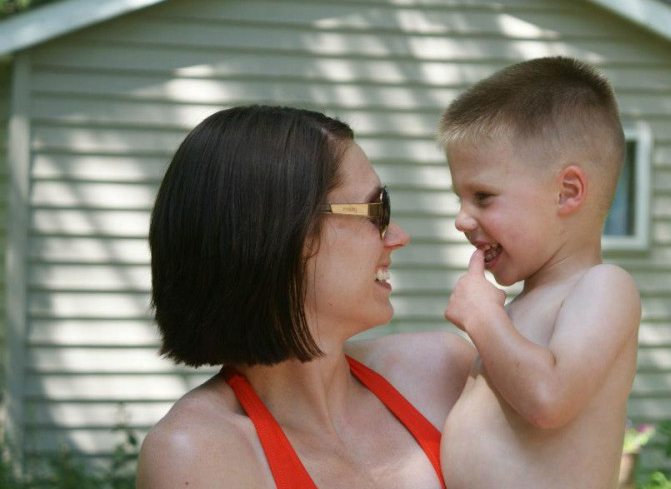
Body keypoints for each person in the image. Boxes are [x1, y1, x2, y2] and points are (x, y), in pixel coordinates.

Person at [136, 105, 475, 489]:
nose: (398, 236)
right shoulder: (197, 454)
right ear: (282, 235)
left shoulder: (442, 369)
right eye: (377, 210)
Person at [439, 57, 642, 488]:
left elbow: (549, 399)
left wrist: (482, 318)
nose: (461, 219)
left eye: (483, 196)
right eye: (461, 197)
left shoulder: (605, 286)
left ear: (567, 192)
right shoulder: (517, 311)